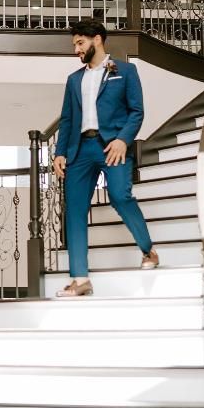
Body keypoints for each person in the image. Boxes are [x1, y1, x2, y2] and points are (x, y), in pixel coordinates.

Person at [52, 18, 158, 298]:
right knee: (74, 211)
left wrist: (124, 139)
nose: (76, 49)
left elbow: (137, 111)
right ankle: (80, 279)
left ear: (96, 39)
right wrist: (59, 152)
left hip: (112, 146)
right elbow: (67, 118)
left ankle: (148, 249)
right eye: (75, 44)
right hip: (79, 150)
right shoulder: (74, 79)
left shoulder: (125, 71)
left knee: (120, 196)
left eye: (80, 43)